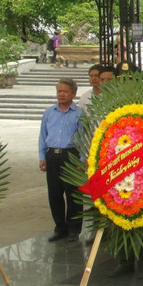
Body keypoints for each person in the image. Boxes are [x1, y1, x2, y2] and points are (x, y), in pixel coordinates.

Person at [38, 78, 82, 242]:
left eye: (65, 91)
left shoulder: (79, 114)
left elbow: (84, 137)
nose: (61, 94)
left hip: (71, 156)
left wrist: (82, 160)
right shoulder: (49, 112)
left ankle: (74, 229)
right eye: (59, 91)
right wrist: (42, 156)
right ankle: (60, 228)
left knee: (73, 194)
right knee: (54, 194)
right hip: (52, 156)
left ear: (73, 94)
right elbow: (43, 135)